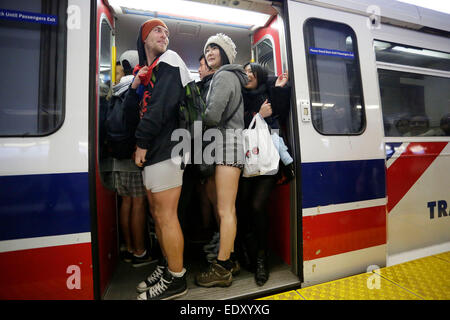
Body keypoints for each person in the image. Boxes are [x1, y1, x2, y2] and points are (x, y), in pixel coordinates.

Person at [124, 18, 193, 300]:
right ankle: (167, 266)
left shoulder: (171, 60)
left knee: (166, 216)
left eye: (166, 31)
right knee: (157, 216)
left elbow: (162, 106)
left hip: (168, 147)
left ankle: (177, 279)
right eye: (156, 30)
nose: (164, 34)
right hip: (155, 151)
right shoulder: (147, 72)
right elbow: (131, 116)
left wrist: (141, 142)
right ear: (144, 38)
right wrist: (133, 86)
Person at [195, 33, 248, 288]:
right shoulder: (227, 76)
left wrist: (194, 116)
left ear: (225, 53)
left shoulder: (224, 76)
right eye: (208, 48)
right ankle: (231, 258)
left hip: (227, 146)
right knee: (229, 210)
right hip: (229, 145)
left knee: (225, 210)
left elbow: (213, 116)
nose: (210, 51)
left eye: (216, 47)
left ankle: (222, 268)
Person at [237, 62, 291, 286]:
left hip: (268, 159)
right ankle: (247, 252)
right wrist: (257, 114)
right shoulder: (239, 96)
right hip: (245, 158)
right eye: (245, 72)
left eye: (252, 72)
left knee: (258, 206)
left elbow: (279, 113)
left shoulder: (268, 93)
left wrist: (278, 88)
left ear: (260, 76)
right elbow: (235, 121)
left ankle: (262, 258)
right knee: (243, 207)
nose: (248, 75)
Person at [109, 50, 151, 267]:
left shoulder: (115, 89)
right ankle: (140, 252)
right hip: (133, 153)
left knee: (125, 203)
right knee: (138, 203)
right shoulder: (134, 88)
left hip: (117, 156)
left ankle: (127, 247)